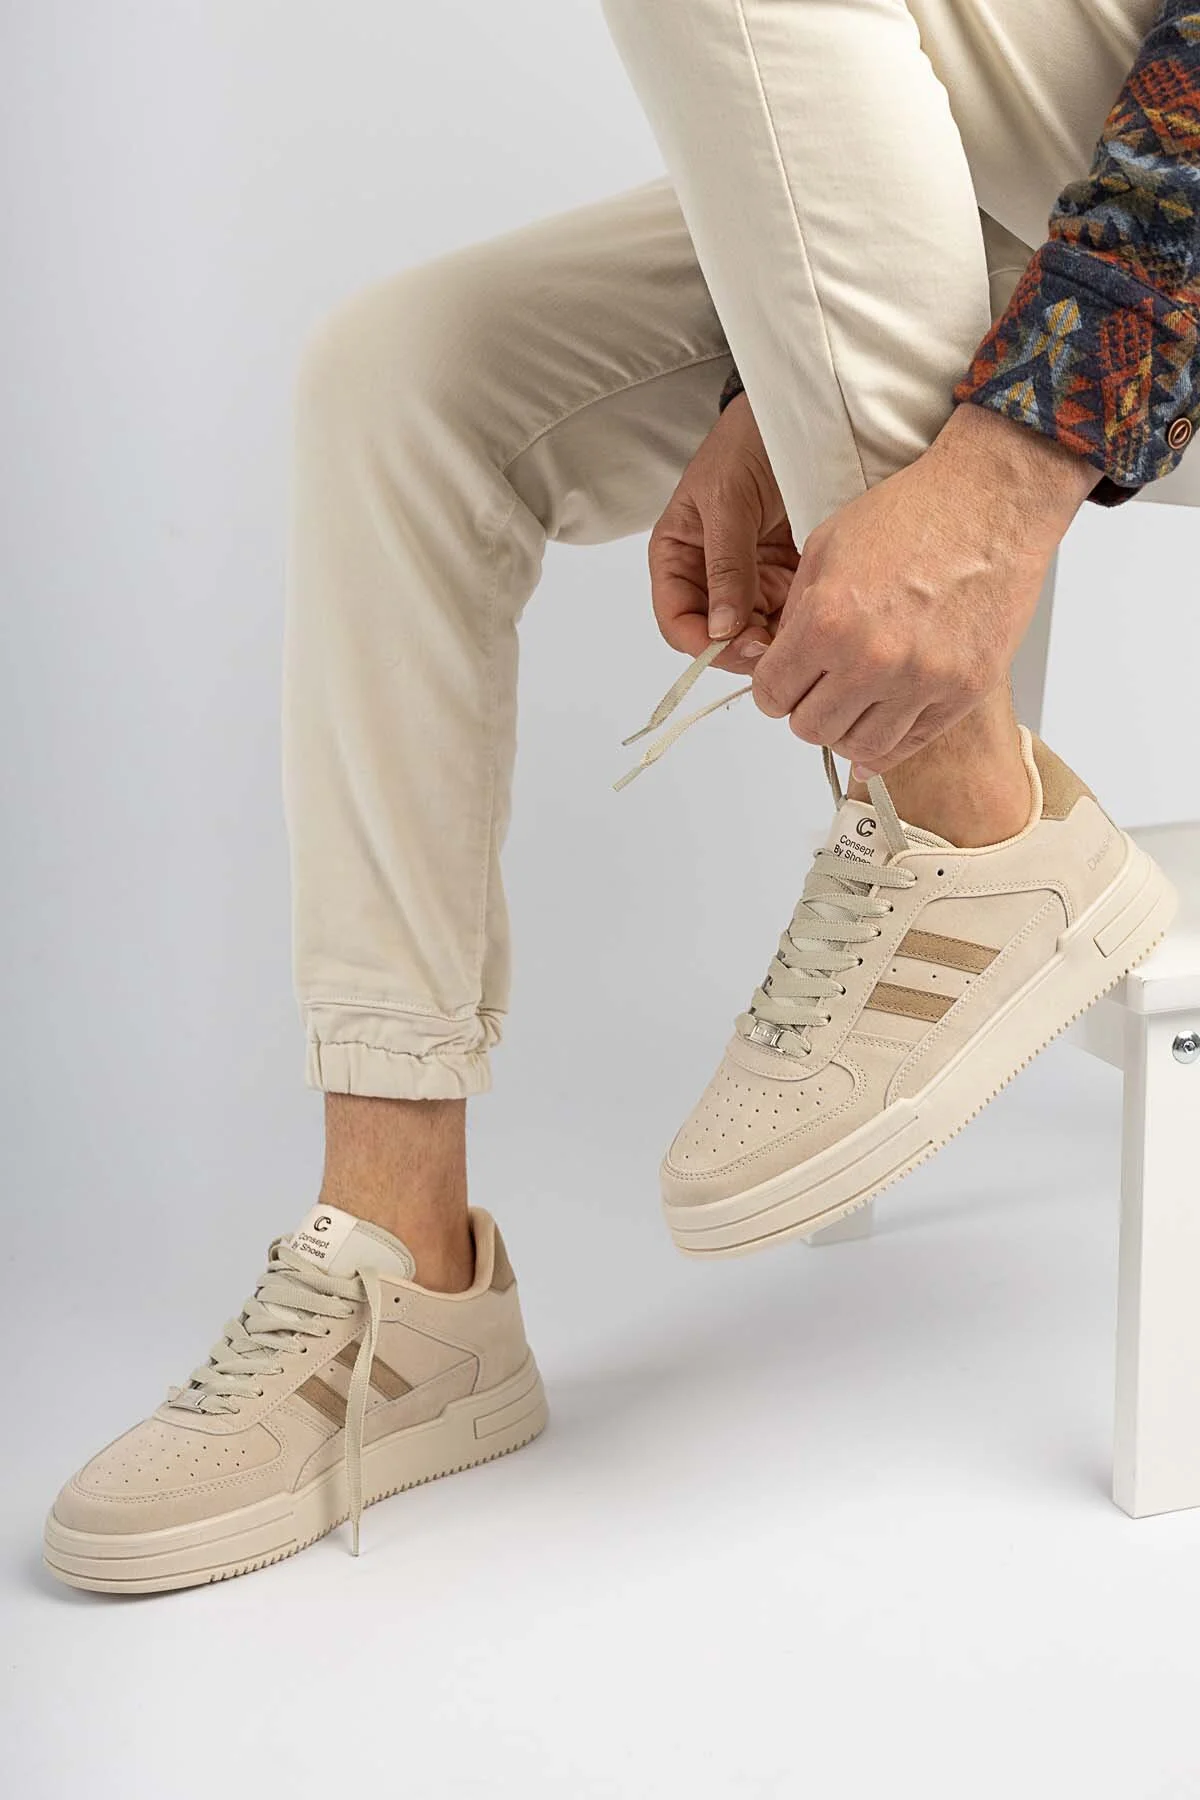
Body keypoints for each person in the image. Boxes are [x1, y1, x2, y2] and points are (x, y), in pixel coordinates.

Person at [44, 0, 1196, 1592]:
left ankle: (973, 817)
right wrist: (770, 381)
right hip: (1074, 166)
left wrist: (1005, 473)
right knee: (403, 380)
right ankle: (405, 1272)